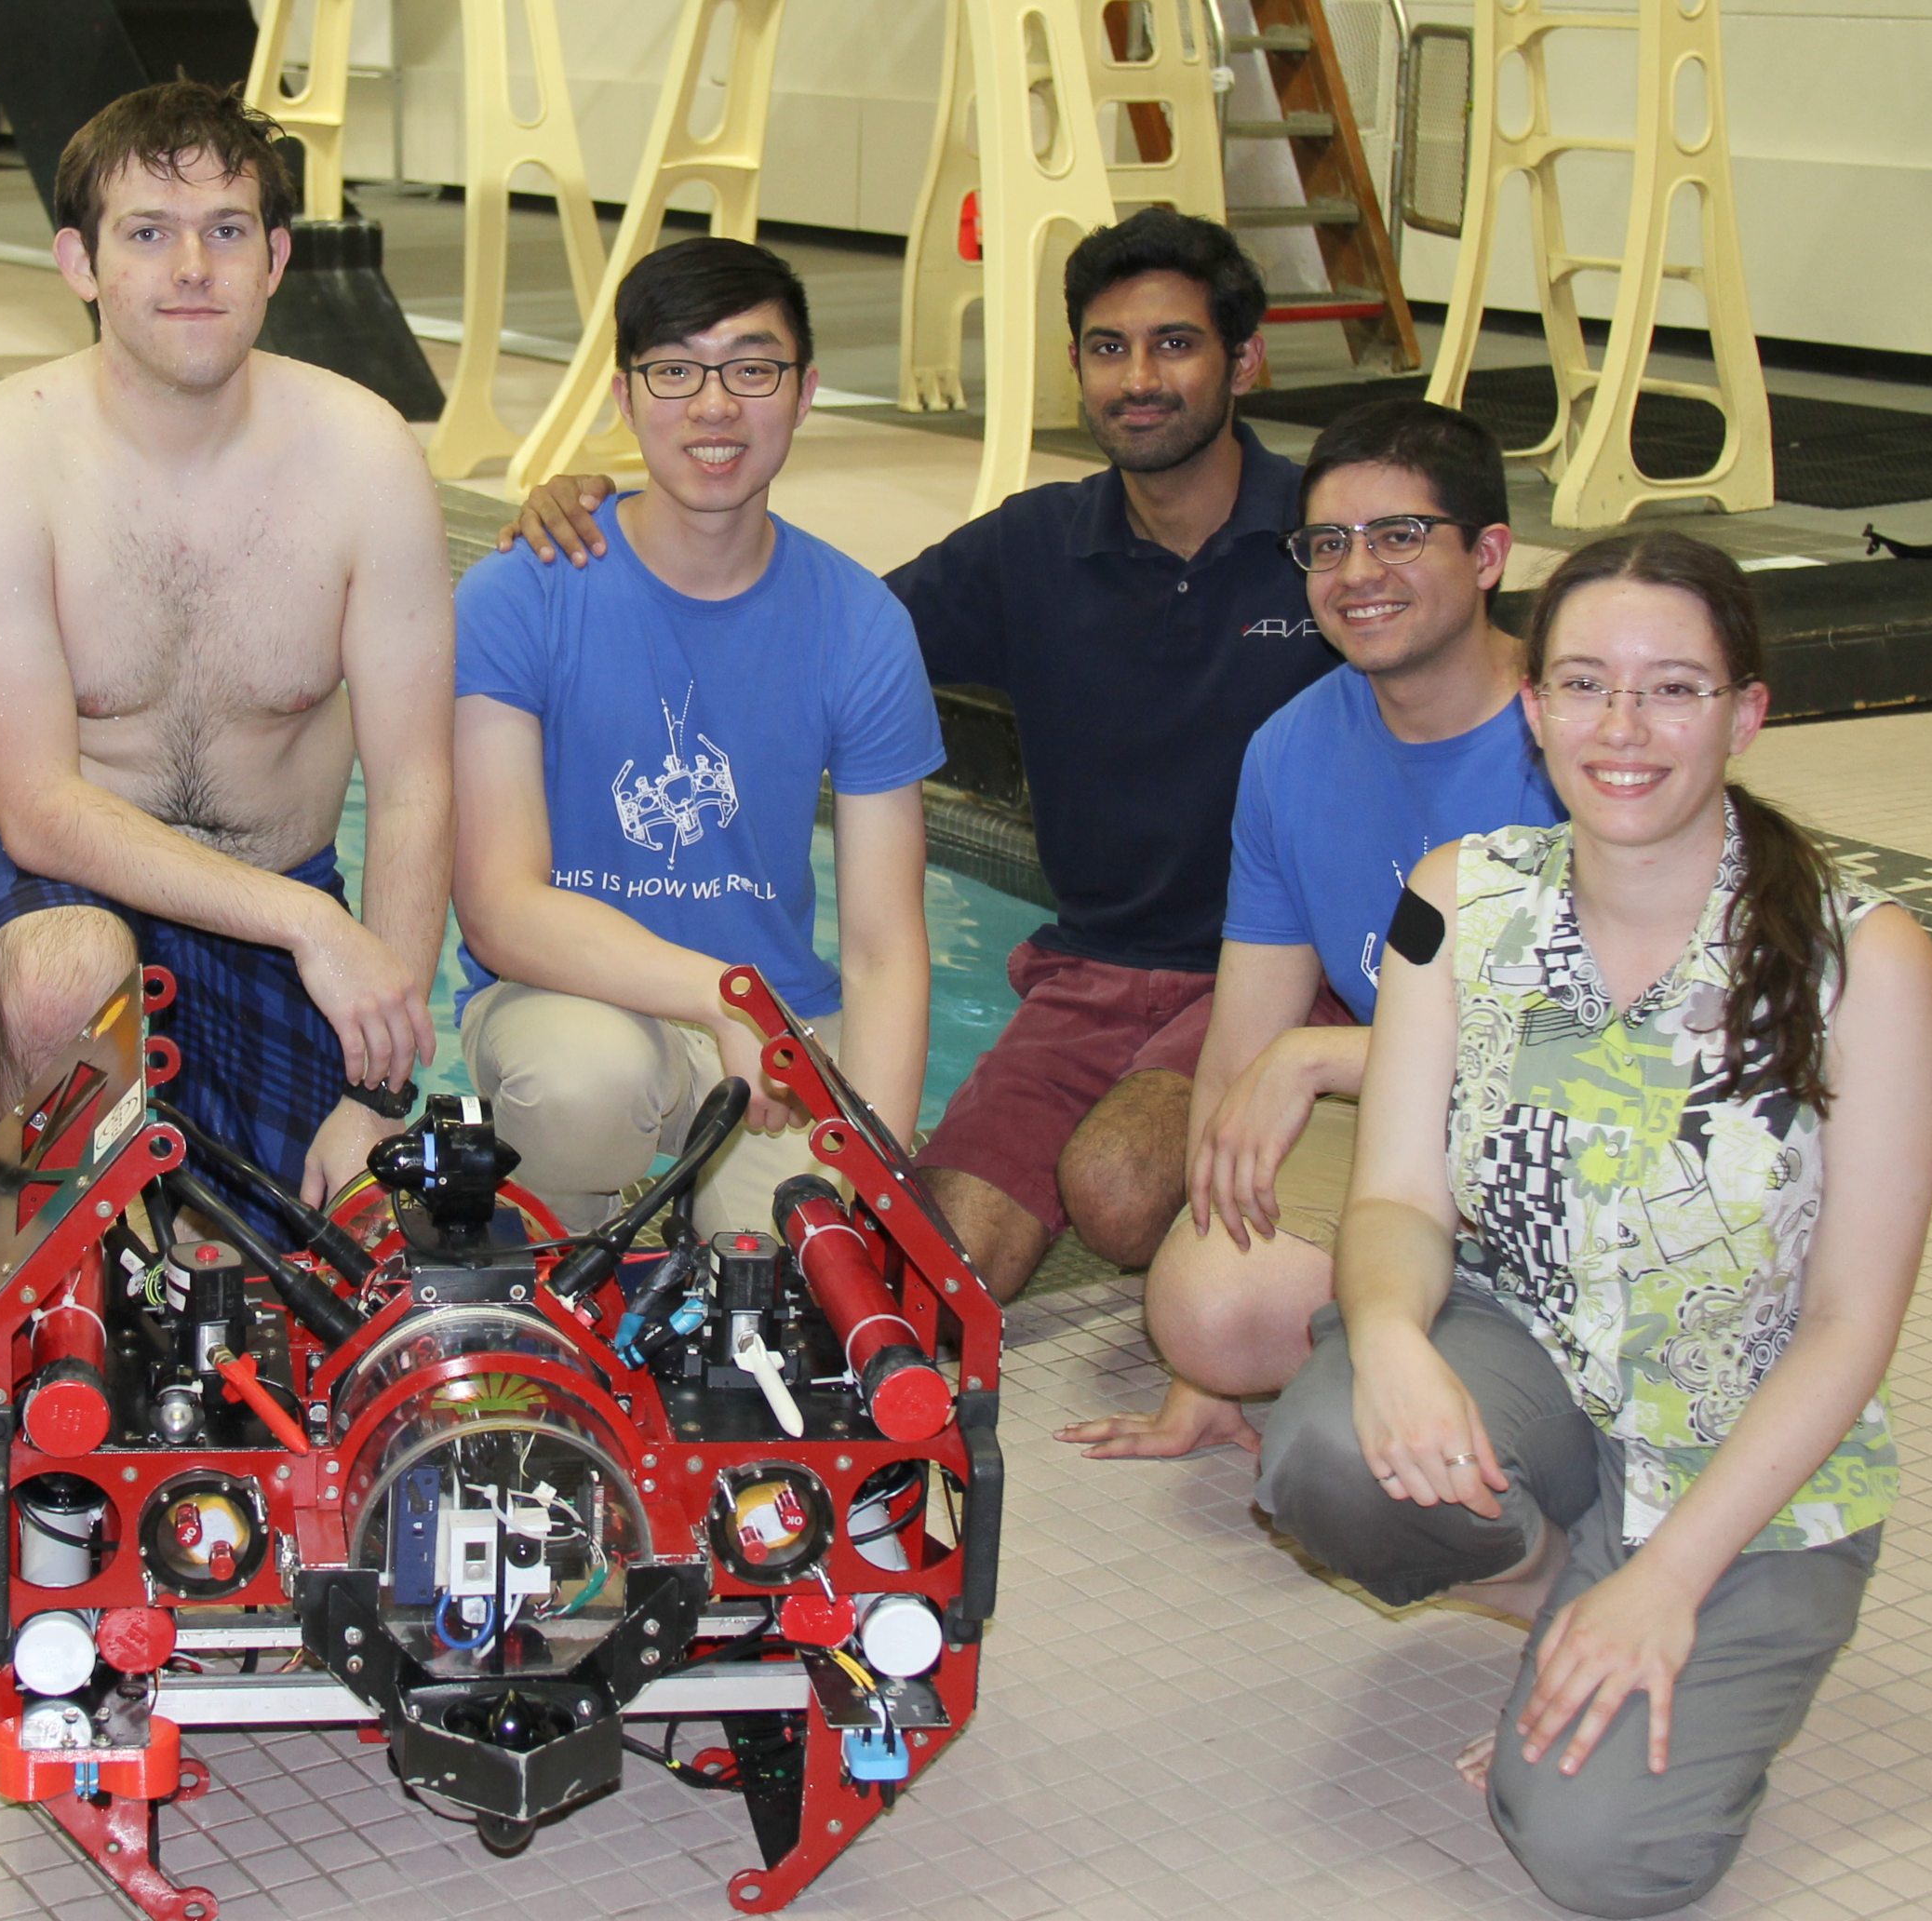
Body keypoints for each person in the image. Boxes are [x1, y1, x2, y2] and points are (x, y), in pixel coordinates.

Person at [1253, 531, 1932, 1916]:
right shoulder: (1456, 899)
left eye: (1673, 690)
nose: (1620, 729)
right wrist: (1388, 1336)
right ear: (1530, 704)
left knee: (1601, 1856)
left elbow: (1846, 1325)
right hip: (1536, 1370)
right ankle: (1561, 1582)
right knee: (1330, 1449)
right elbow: (1392, 1191)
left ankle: (1630, 1611)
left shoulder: (1862, 959)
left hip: (1742, 1460)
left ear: (1746, 712)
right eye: (1581, 684)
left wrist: (1668, 1579)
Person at [500, 208, 1331, 1296]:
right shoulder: (1035, 550)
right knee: (929, 1275)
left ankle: (1245, 1209)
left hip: (1271, 970)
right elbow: (811, 634)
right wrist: (587, 508)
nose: (1140, 378)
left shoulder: (1331, 544)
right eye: (1107, 347)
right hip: (1091, 972)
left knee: (1120, 1188)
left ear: (1246, 359)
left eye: (1176, 343)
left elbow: (1446, 665)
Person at [0, 81, 453, 1229]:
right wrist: (316, 928)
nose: (193, 268)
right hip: (76, 895)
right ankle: (48, 1286)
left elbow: (416, 787)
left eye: (225, 231)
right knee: (64, 973)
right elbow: (37, 813)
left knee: (321, 1262)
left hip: (284, 898)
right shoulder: (1, 459)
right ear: (80, 262)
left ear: (276, 258)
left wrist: (380, 1084)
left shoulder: (366, 460)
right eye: (149, 234)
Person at [1065, 400, 1563, 1460]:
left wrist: (1329, 1054)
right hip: (1415, 1122)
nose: (1356, 572)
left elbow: (1612, 1040)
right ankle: (1425, 1309)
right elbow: (1244, 1041)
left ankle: (1471, 1327)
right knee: (1208, 1306)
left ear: (1489, 555)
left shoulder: (1574, 741)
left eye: (1399, 536)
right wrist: (1203, 1370)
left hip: (1575, 1134)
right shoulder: (1293, 748)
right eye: (1326, 544)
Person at [449, 237, 940, 1232]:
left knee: (819, 1268)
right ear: (626, 400)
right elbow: (499, 906)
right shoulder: (522, 593)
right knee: (580, 1090)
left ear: (803, 395)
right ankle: (558, 1283)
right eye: (674, 370)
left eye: (752, 369)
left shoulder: (860, 624)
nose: (714, 406)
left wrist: (871, 1165)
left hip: (785, 1033)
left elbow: (886, 949)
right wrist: (718, 996)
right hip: (573, 1001)